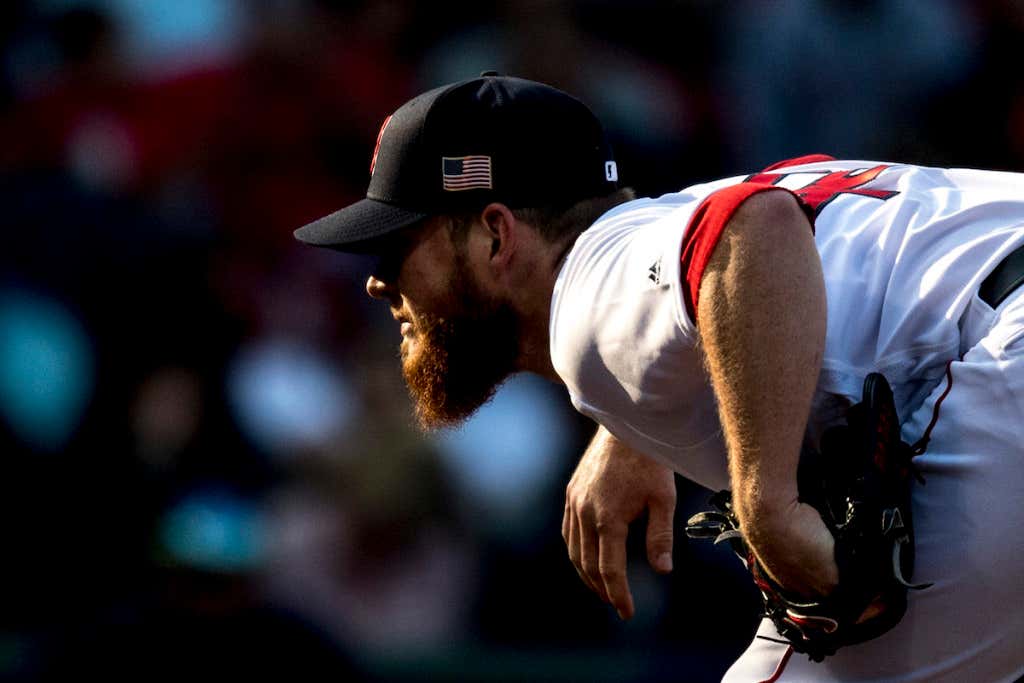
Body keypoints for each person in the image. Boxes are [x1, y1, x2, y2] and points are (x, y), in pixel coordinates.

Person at [294, 73, 1024, 682]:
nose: (377, 282)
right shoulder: (648, 238)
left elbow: (753, 231)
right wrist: (629, 430)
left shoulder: (586, 296)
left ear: (496, 232)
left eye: (398, 246)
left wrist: (766, 501)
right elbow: (727, 261)